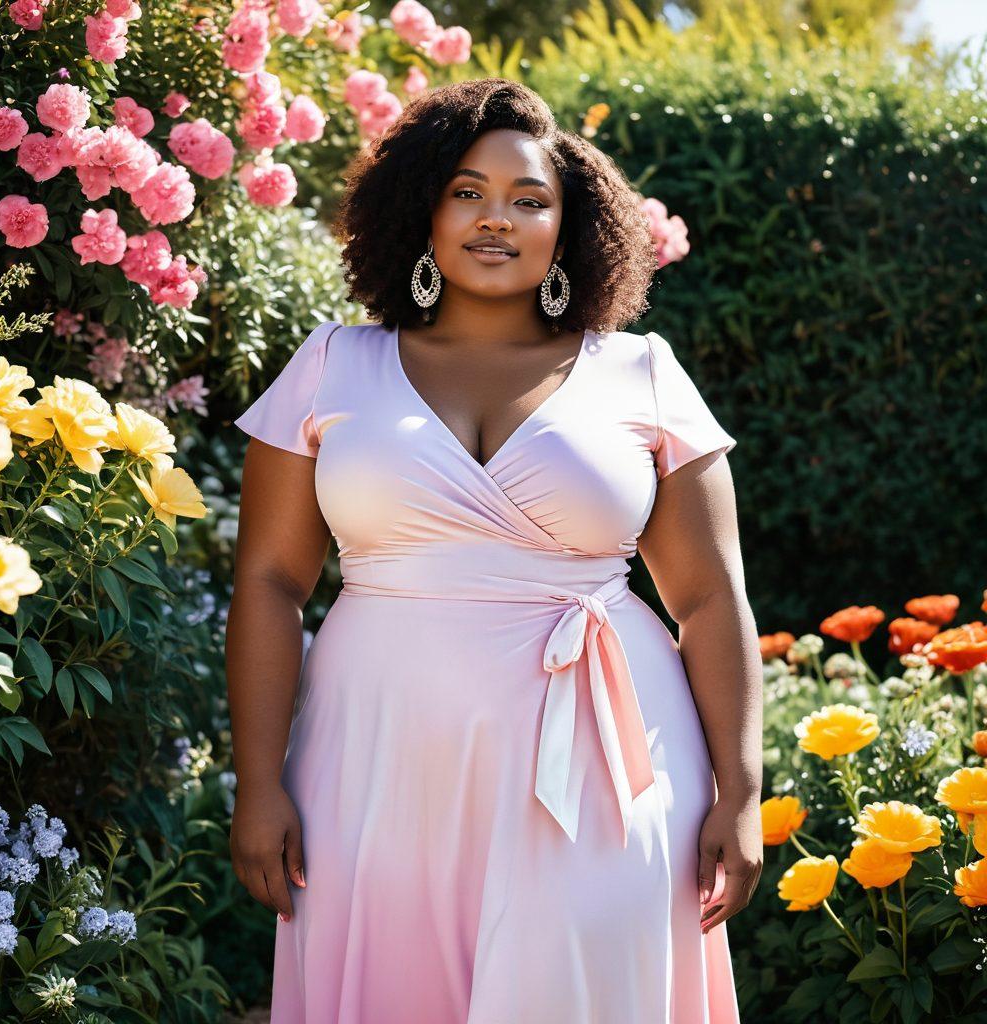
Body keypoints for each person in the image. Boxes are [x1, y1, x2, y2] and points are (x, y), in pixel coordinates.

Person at [225, 77, 763, 1023]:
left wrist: (742, 791)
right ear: (422, 210)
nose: (495, 219)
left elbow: (711, 600)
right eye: (466, 192)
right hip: (376, 758)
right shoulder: (331, 364)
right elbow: (270, 583)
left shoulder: (641, 372)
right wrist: (258, 782)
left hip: (606, 763)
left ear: (568, 228)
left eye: (529, 200)